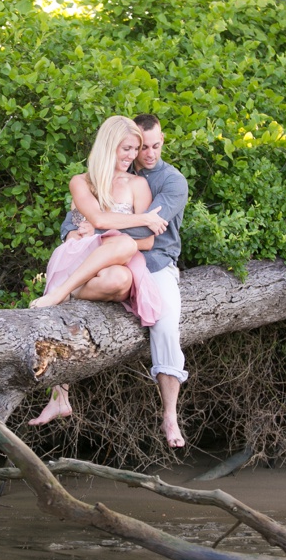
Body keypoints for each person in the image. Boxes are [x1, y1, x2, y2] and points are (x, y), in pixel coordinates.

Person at [36, 114, 190, 449]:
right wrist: (76, 229)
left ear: (163, 140)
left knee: (164, 324)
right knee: (109, 275)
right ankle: (58, 393)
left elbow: (149, 233)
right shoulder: (98, 176)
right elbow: (76, 217)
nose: (145, 154)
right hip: (96, 256)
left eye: (153, 146)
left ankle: (170, 415)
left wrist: (100, 225)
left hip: (153, 263)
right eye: (138, 147)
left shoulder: (168, 182)